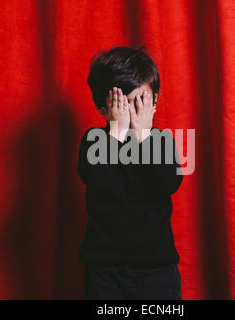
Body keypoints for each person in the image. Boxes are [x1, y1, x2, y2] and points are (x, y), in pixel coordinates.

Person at [77, 46, 183, 299]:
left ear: (154, 103)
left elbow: (168, 183)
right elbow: (95, 179)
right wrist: (116, 133)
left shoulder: (160, 140)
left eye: (141, 103)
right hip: (105, 270)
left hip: (156, 270)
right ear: (104, 107)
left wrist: (143, 136)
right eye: (123, 104)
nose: (134, 113)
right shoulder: (94, 141)